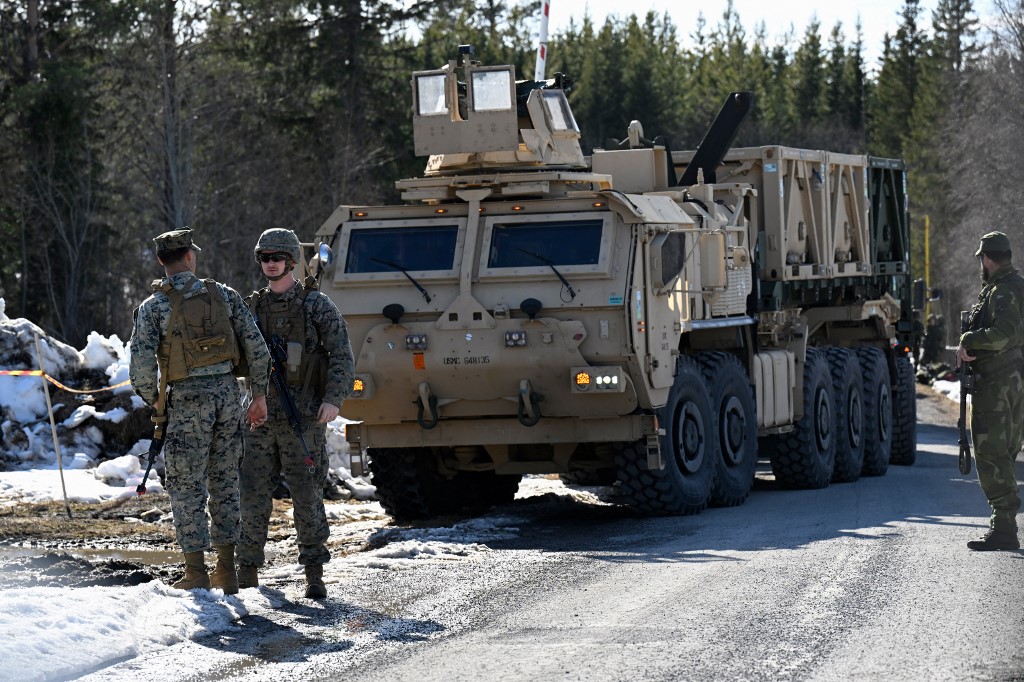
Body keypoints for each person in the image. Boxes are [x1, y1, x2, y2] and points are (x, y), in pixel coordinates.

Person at [129, 228, 271, 592]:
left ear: (162, 261)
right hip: (227, 395)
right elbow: (256, 348)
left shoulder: (153, 306)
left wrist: (154, 399)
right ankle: (227, 569)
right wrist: (258, 395)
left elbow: (141, 364)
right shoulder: (223, 295)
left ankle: (195, 572)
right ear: (190, 256)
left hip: (187, 401)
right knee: (224, 481)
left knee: (186, 485)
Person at [238, 228, 355, 598]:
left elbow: (342, 355)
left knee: (306, 494)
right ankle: (248, 570)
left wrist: (334, 399)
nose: (269, 263)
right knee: (252, 492)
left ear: (291, 261)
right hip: (260, 418)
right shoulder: (250, 307)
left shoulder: (316, 306)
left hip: (303, 416)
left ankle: (314, 572)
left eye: (276, 257)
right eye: (264, 257)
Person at [955, 230, 1024, 551]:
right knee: (1005, 451)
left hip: (997, 385)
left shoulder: (1001, 292)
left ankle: (1004, 528)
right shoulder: (1015, 287)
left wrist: (969, 341)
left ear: (986, 259)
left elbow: (1005, 334)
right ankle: (1004, 525)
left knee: (992, 454)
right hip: (1013, 382)